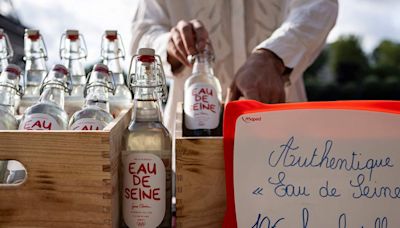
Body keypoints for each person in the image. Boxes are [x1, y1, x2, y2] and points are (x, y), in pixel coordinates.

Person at [130, 0, 338, 131]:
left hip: (283, 142)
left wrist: (274, 55)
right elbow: (142, 32)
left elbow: (319, 5)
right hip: (191, 150)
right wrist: (169, 45)